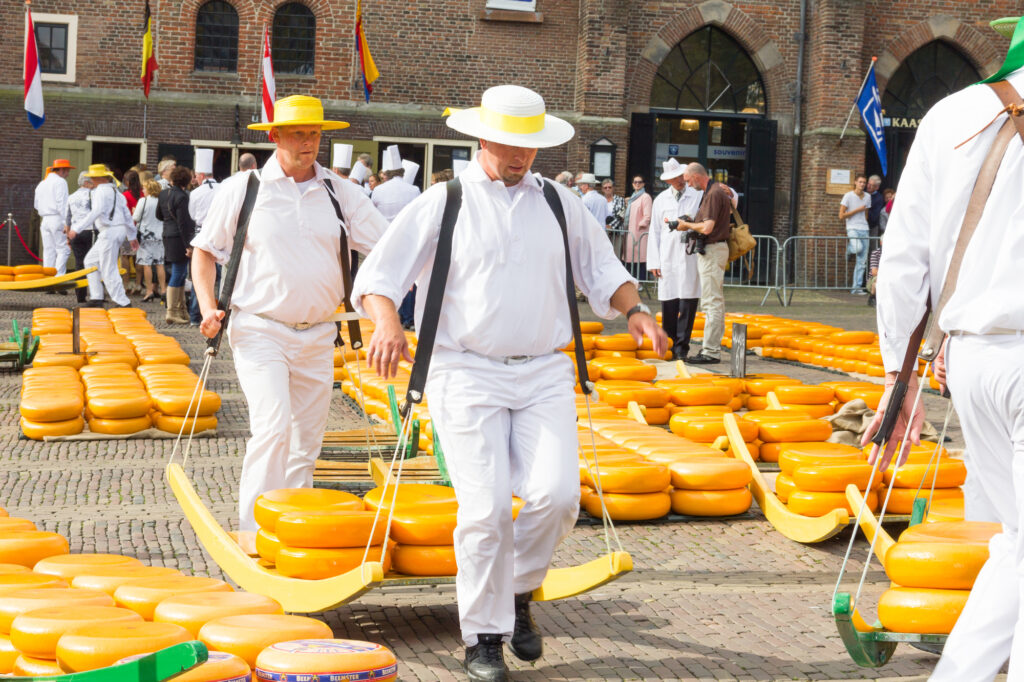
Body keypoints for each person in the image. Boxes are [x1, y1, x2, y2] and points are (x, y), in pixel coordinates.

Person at [353, 84, 666, 682]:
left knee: (557, 497)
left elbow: (602, 269)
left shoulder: (557, 202)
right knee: (487, 508)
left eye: (530, 145)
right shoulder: (443, 201)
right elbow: (380, 276)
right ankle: (484, 637)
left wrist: (636, 311)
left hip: (545, 369)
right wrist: (388, 321)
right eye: (508, 143)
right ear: (482, 139)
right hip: (464, 370)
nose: (520, 155)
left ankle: (518, 591)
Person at [865, 22, 1024, 678]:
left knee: (1017, 548)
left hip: (971, 358)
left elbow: (902, 262)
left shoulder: (950, 112)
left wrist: (898, 382)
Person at [192, 94, 388, 533]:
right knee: (273, 427)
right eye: (299, 133)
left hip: (320, 333)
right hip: (260, 329)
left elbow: (388, 249)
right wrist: (208, 307)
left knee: (306, 444)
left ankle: (290, 530)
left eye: (315, 133)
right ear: (275, 136)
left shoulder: (342, 193)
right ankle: (251, 531)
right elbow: (204, 252)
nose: (309, 142)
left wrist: (383, 310)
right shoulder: (243, 189)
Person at [674, 162, 733, 365]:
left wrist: (686, 225)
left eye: (689, 180)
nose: (689, 185)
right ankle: (711, 349)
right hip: (714, 249)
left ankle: (710, 351)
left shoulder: (713, 194)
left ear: (697, 176)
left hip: (712, 249)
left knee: (711, 301)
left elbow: (707, 228)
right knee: (713, 300)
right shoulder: (715, 191)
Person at [646, 159, 702, 360]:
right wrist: (653, 261)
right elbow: (655, 231)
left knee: (688, 302)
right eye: (673, 178)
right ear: (667, 180)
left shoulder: (697, 195)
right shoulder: (661, 200)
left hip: (689, 254)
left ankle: (681, 348)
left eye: (680, 176)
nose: (678, 180)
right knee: (669, 303)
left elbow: (721, 199)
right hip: (667, 256)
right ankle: (668, 344)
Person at [69, 164, 138, 307]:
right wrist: (132, 236)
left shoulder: (101, 191)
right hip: (115, 231)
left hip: (109, 231)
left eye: (93, 178)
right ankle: (96, 297)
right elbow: (126, 214)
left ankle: (123, 301)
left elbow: (96, 212)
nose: (91, 180)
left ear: (99, 178)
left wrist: (77, 228)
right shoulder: (116, 191)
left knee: (108, 268)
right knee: (90, 261)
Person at [157, 166, 196, 324]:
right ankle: (172, 311)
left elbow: (158, 215)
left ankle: (181, 310)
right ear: (186, 181)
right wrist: (189, 245)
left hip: (167, 235)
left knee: (178, 273)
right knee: (179, 272)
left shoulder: (163, 194)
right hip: (179, 238)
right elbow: (183, 223)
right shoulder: (183, 196)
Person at [188, 149, 221, 326]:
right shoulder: (223, 188)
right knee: (223, 277)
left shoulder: (195, 193)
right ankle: (224, 311)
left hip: (202, 232)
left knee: (200, 276)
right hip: (222, 235)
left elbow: (192, 215)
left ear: (200, 175)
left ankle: (195, 315)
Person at [34, 159, 74, 277]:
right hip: (57, 218)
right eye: (67, 171)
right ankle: (58, 278)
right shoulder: (60, 182)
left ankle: (48, 278)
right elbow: (62, 204)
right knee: (64, 249)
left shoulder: (42, 183)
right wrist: (66, 222)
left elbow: (36, 204)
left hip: (45, 219)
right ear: (61, 170)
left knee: (48, 250)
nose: (68, 174)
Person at [133, 179, 166, 303]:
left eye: (144, 188)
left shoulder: (143, 201)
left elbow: (136, 217)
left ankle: (149, 291)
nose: (143, 190)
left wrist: (133, 211)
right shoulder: (161, 201)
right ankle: (163, 290)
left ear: (149, 189)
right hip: (159, 236)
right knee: (159, 263)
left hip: (146, 236)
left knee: (147, 264)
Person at [66, 171, 96, 303]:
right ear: (86, 182)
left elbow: (68, 217)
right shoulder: (92, 195)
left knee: (79, 263)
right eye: (91, 182)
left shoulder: (71, 197)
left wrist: (68, 235)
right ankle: (96, 294)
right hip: (90, 231)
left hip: (75, 232)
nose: (93, 185)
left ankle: (80, 295)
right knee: (93, 263)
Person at [840, 174, 872, 295]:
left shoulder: (868, 196)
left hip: (864, 228)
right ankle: (849, 249)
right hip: (852, 227)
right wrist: (857, 210)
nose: (862, 184)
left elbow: (866, 213)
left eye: (864, 182)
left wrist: (864, 220)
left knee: (862, 261)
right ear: (855, 182)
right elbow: (841, 215)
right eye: (860, 182)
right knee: (857, 248)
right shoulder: (848, 196)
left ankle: (856, 288)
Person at [623, 175, 652, 281]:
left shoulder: (645, 197)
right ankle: (631, 280)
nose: (637, 184)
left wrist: (640, 225)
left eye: (640, 182)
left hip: (639, 232)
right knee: (629, 257)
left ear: (643, 184)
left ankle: (640, 281)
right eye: (635, 182)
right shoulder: (632, 197)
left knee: (639, 257)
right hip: (629, 232)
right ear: (632, 184)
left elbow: (647, 216)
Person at [866, 174, 884, 238]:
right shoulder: (862, 193)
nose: (868, 186)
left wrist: (866, 208)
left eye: (871, 185)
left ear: (877, 187)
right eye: (868, 184)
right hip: (861, 226)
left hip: (872, 227)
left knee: (872, 246)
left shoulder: (879, 198)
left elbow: (874, 216)